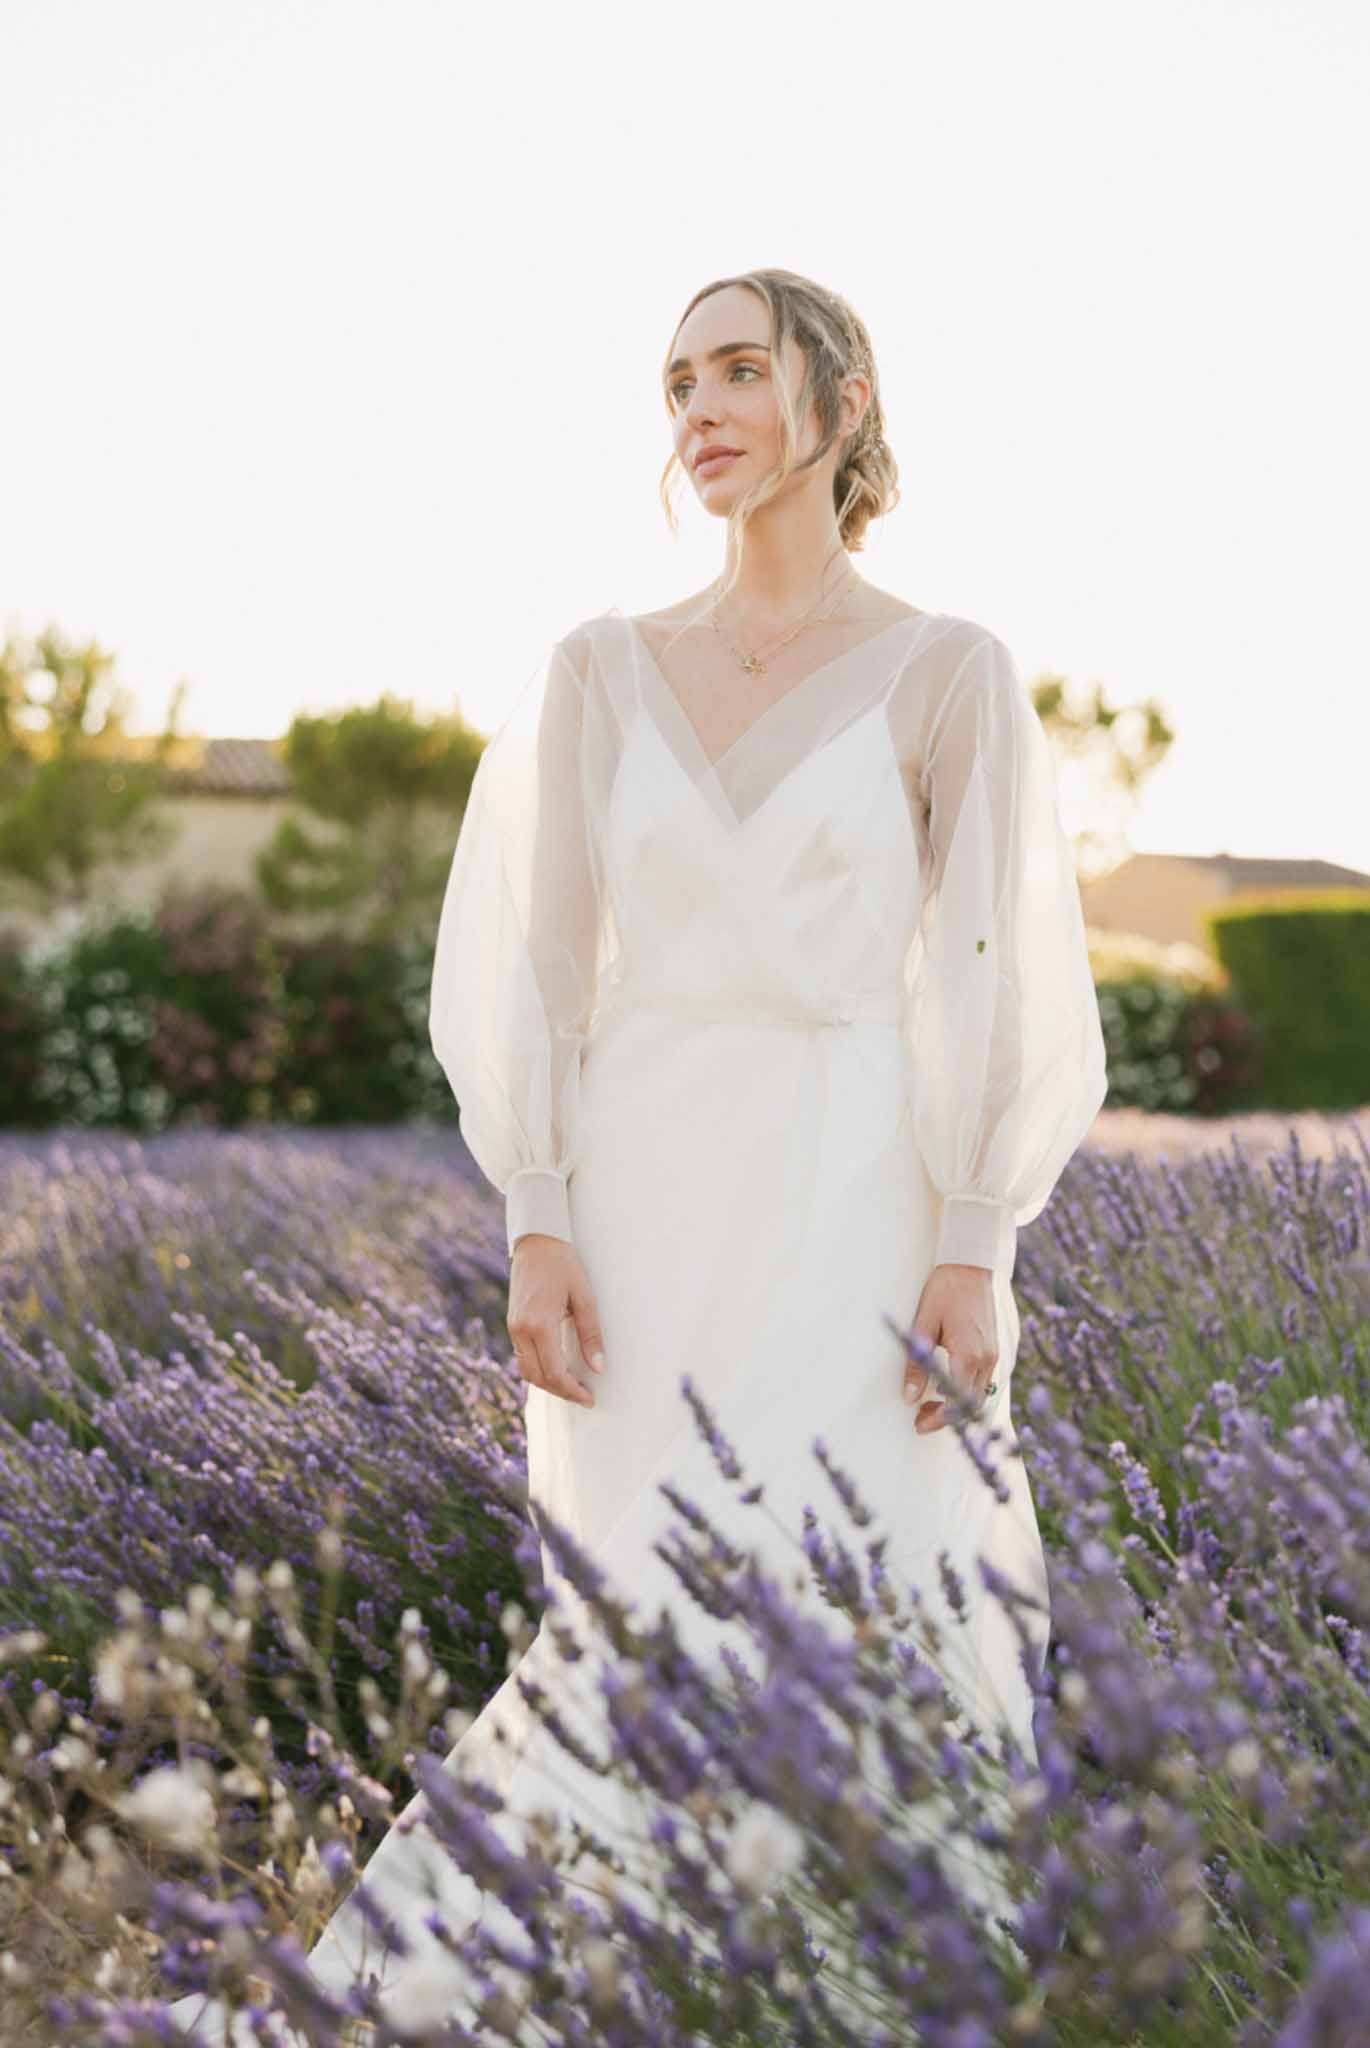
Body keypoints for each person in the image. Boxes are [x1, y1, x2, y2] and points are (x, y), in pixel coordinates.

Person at [165, 265, 1108, 2043]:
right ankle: (587, 1982)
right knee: (643, 1606)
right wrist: (536, 1216)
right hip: (641, 1192)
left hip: (857, 1193)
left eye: (739, 369)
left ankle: (850, 1983)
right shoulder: (599, 668)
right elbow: (544, 969)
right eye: (678, 383)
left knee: (859, 1581)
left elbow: (993, 980)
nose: (700, 410)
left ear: (840, 398)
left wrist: (976, 1239)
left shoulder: (948, 673)